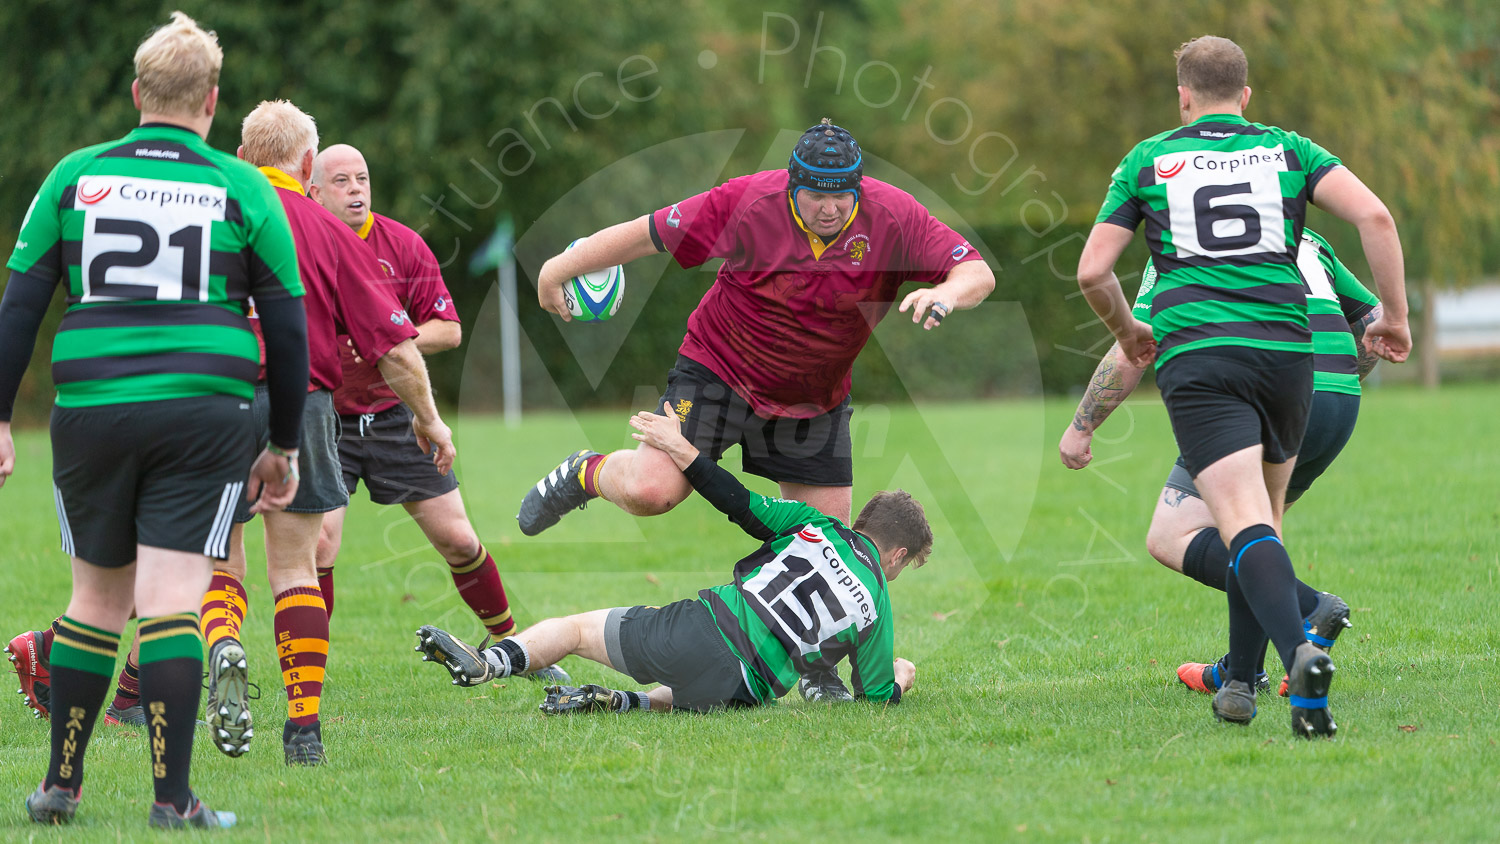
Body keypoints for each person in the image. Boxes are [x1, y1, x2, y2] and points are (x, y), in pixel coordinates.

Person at [0, 13, 308, 829]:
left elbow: (20, 306)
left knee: (96, 599)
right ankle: (173, 800)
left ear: (138, 93)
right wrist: (282, 443)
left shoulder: (75, 175)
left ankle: (60, 787)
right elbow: (287, 328)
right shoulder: (242, 186)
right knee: (173, 598)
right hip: (204, 414)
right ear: (211, 102)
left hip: (92, 409)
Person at [1075, 36, 1409, 737]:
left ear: (1183, 96)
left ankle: (1299, 653)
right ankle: (1246, 687)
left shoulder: (1148, 160)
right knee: (1263, 523)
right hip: (1290, 356)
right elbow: (1376, 217)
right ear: (1246, 95)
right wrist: (1397, 319)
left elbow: (1092, 271)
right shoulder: (1289, 150)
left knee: (1240, 522)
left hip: (1205, 358)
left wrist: (1130, 331)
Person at [517, 118, 994, 539]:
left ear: (859, 188)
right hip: (719, 370)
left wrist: (947, 293)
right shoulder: (747, 201)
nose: (829, 209)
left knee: (824, 546)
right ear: (791, 188)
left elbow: (976, 271)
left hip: (813, 399)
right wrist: (555, 269)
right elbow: (647, 235)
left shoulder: (894, 216)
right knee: (650, 492)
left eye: (841, 197)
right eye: (816, 196)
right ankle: (584, 472)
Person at [198, 101, 458, 767]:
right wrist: (428, 419)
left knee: (221, 562)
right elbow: (395, 348)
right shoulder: (328, 229)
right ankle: (303, 731)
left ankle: (224, 642)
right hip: (302, 407)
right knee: (295, 568)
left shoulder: (205, 215)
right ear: (308, 164)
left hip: (212, 404)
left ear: (243, 157)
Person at [415, 403, 926, 712]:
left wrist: (683, 451)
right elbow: (877, 696)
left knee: (575, 632)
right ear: (898, 555)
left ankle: (490, 663)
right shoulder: (875, 602)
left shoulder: (818, 526)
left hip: (702, 633)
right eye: (906, 565)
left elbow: (737, 502)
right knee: (696, 688)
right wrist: (901, 675)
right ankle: (624, 703)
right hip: (749, 690)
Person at [1061, 228, 1382, 693]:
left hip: (1260, 395)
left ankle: (1312, 608)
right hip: (1338, 402)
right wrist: (1335, 381)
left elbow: (1134, 350)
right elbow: (1372, 318)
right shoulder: (1307, 237)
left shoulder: (1183, 237)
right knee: (1254, 534)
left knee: (1172, 535)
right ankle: (1242, 673)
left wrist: (1081, 427)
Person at [305, 145, 561, 682]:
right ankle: (305, 675)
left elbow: (449, 329)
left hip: (398, 417)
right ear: (314, 191)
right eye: (341, 181)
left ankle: (514, 647)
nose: (356, 189)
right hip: (325, 418)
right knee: (320, 545)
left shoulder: (403, 244)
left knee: (459, 541)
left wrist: (387, 339)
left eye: (362, 178)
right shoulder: (301, 243)